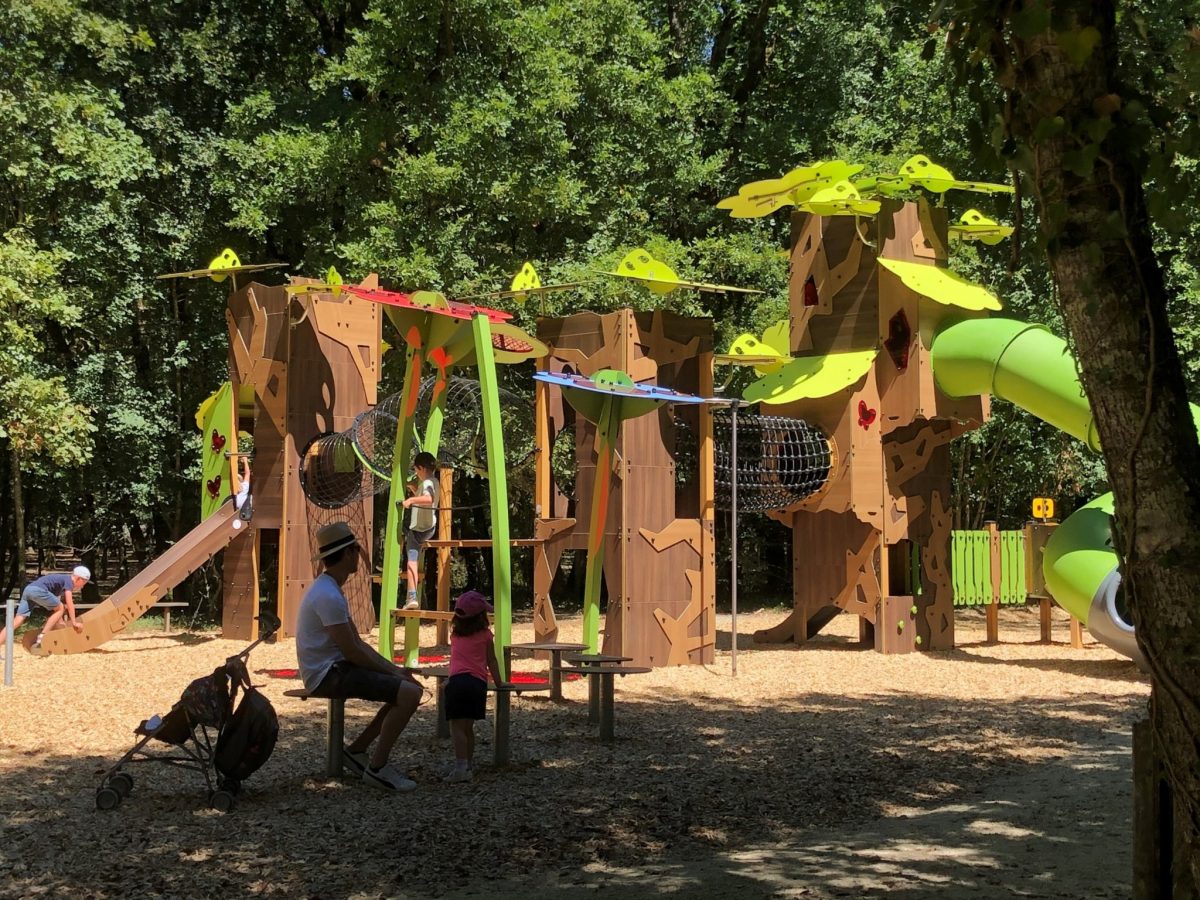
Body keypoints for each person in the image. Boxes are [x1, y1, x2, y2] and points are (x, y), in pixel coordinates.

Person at [296, 521, 423, 792]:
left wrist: (395, 670)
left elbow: (356, 644)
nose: (358, 555)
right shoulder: (328, 595)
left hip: (334, 668)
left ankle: (357, 751)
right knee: (409, 694)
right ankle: (377, 769)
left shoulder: (330, 589)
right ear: (348, 554)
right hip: (327, 674)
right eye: (356, 550)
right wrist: (393, 672)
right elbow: (352, 651)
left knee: (407, 688)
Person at [444, 590, 509, 783]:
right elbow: (492, 661)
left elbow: (456, 661)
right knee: (468, 728)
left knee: (456, 728)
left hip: (458, 682)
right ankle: (468, 764)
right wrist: (499, 682)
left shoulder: (455, 635)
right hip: (477, 684)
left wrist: (449, 680)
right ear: (482, 616)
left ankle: (461, 767)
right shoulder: (486, 635)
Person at [1, 566, 89, 650]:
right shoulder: (69, 581)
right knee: (61, 607)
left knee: (17, 620)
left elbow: (56, 608)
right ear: (78, 578)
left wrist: (61, 624)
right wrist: (74, 622)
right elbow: (69, 603)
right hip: (38, 590)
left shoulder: (60, 582)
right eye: (84, 582)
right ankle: (43, 636)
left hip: (28, 589)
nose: (83, 586)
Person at [400, 451, 440, 610]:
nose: (416, 473)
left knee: (411, 561)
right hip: (429, 527)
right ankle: (412, 596)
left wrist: (410, 500)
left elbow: (428, 499)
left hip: (418, 530)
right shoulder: (433, 481)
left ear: (422, 468)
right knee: (413, 558)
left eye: (416, 470)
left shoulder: (428, 483)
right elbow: (424, 494)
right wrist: (413, 489)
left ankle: (412, 597)